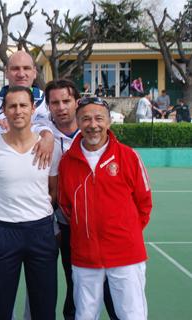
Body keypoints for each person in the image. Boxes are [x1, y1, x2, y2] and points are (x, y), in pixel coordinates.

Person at [57, 96, 152, 320]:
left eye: (99, 118)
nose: (93, 125)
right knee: (85, 315)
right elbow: (66, 205)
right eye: (86, 119)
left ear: (109, 122)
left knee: (132, 315)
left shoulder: (128, 156)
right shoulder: (67, 161)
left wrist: (125, 234)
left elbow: (144, 203)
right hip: (84, 256)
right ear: (78, 123)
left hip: (126, 255)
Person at [0, 86, 58, 320]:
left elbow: (53, 190)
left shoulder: (50, 149)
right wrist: (7, 210)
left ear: (33, 109)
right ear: (4, 111)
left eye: (23, 105)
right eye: (12, 106)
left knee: (44, 305)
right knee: (0, 306)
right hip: (4, 232)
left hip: (41, 232)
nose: (18, 111)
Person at [45, 79, 118, 320]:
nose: (61, 107)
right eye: (54, 102)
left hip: (97, 229)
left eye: (66, 101)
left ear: (76, 102)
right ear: (48, 106)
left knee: (110, 286)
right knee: (74, 283)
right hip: (58, 226)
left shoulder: (94, 131)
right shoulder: (40, 133)